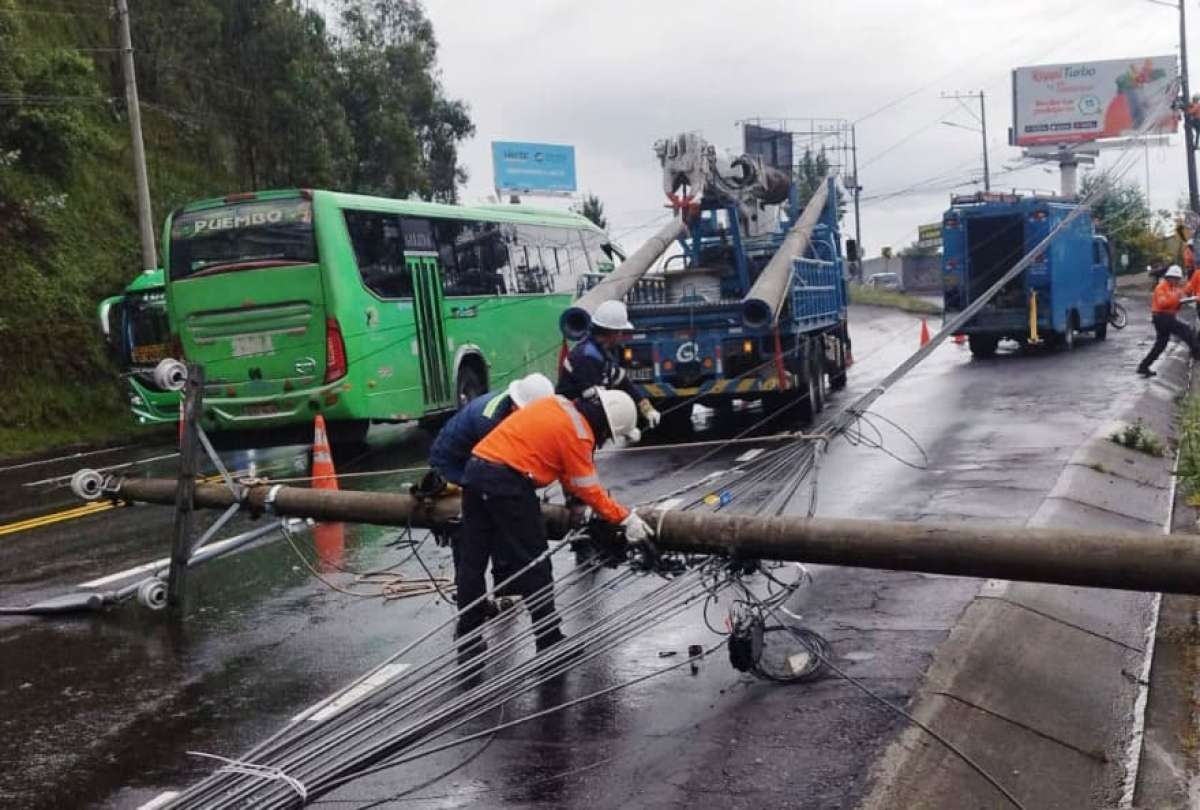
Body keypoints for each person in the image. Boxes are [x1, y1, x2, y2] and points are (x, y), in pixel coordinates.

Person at [455, 389, 653, 661]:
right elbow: (589, 490)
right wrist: (625, 518)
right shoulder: (580, 433)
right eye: (609, 436)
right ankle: (549, 641)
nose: (605, 441)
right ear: (607, 426)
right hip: (507, 482)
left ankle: (467, 638)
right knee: (536, 563)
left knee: (472, 562)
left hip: (475, 471)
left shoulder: (559, 404)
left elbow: (568, 473)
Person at [558, 299, 661, 429]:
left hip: (579, 420)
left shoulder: (601, 352)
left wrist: (646, 407)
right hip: (569, 422)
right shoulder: (586, 356)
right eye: (620, 332)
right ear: (612, 332)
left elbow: (622, 381)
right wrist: (623, 429)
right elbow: (595, 404)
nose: (621, 336)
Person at [1137, 265, 1199, 377]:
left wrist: (1181, 299)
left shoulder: (1171, 288)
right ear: (1171, 277)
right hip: (1162, 317)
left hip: (1166, 317)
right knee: (1186, 332)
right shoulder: (1161, 287)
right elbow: (1162, 303)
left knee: (1161, 344)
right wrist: (1176, 297)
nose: (1178, 282)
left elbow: (1174, 303)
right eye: (1177, 279)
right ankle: (1197, 354)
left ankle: (1144, 366)